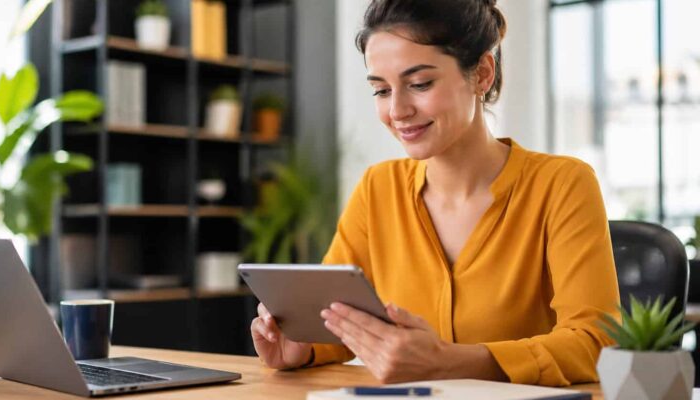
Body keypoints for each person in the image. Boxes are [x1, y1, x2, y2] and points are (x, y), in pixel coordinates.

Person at [250, 0, 620, 387]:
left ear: (481, 74)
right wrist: (305, 346)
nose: (397, 110)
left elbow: (596, 342)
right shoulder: (379, 188)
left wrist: (450, 361)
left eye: (420, 84)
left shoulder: (562, 184)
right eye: (380, 90)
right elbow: (343, 318)